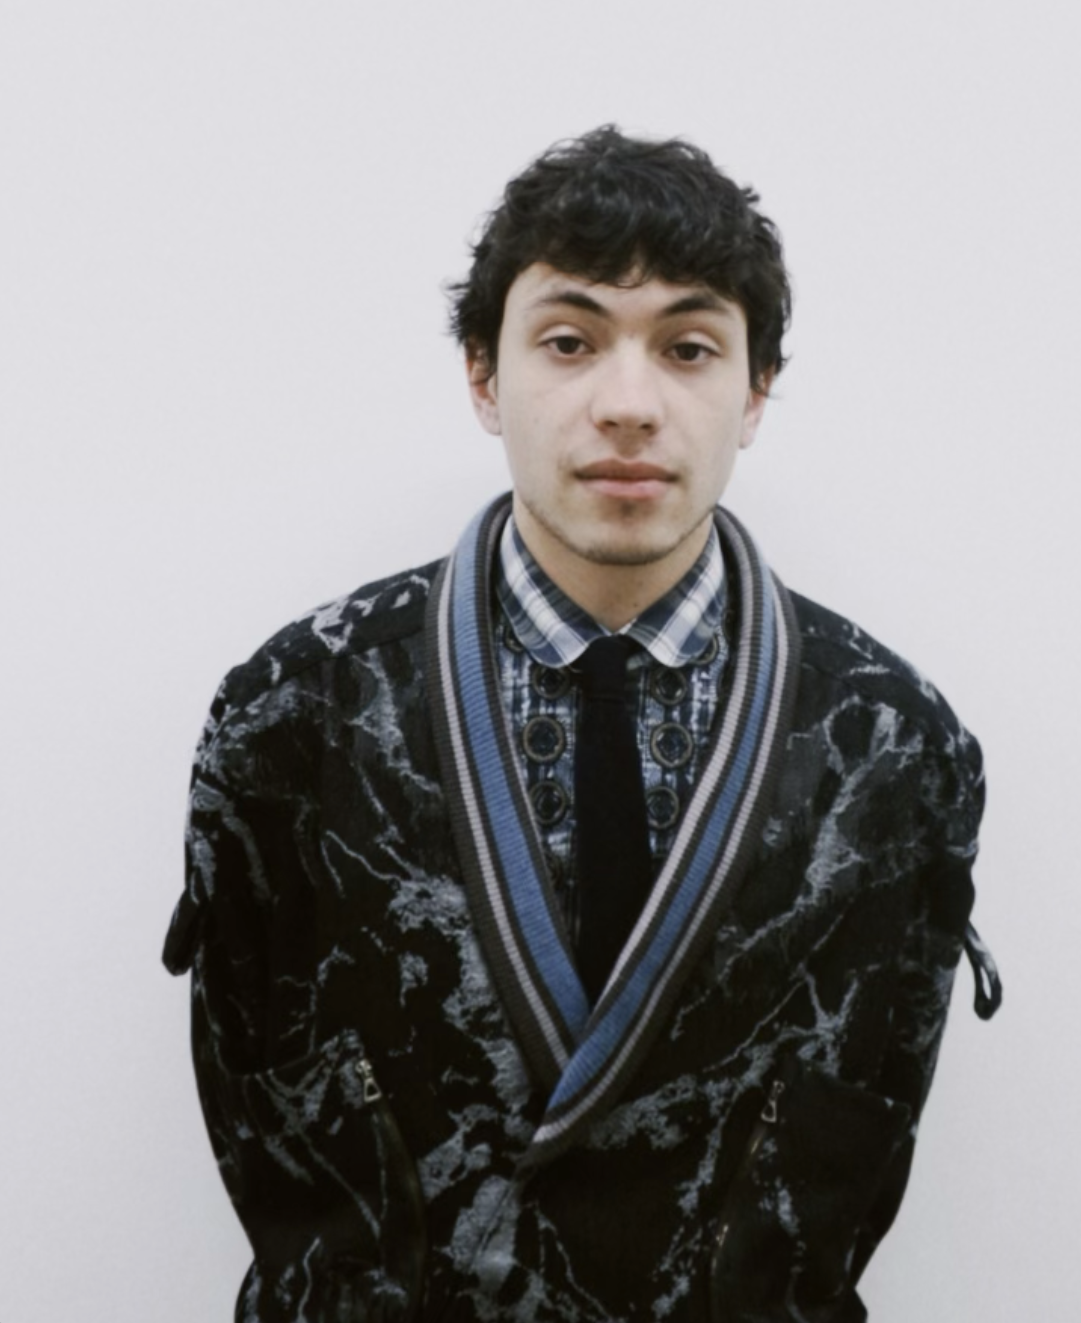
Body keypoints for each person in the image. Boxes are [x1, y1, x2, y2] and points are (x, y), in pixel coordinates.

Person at [163, 125, 1000, 1323]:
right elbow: (256, 1108)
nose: (626, 403)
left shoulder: (894, 743)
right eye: (567, 341)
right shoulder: (297, 710)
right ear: (482, 375)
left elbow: (856, 1150)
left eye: (689, 347)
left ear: (755, 390)